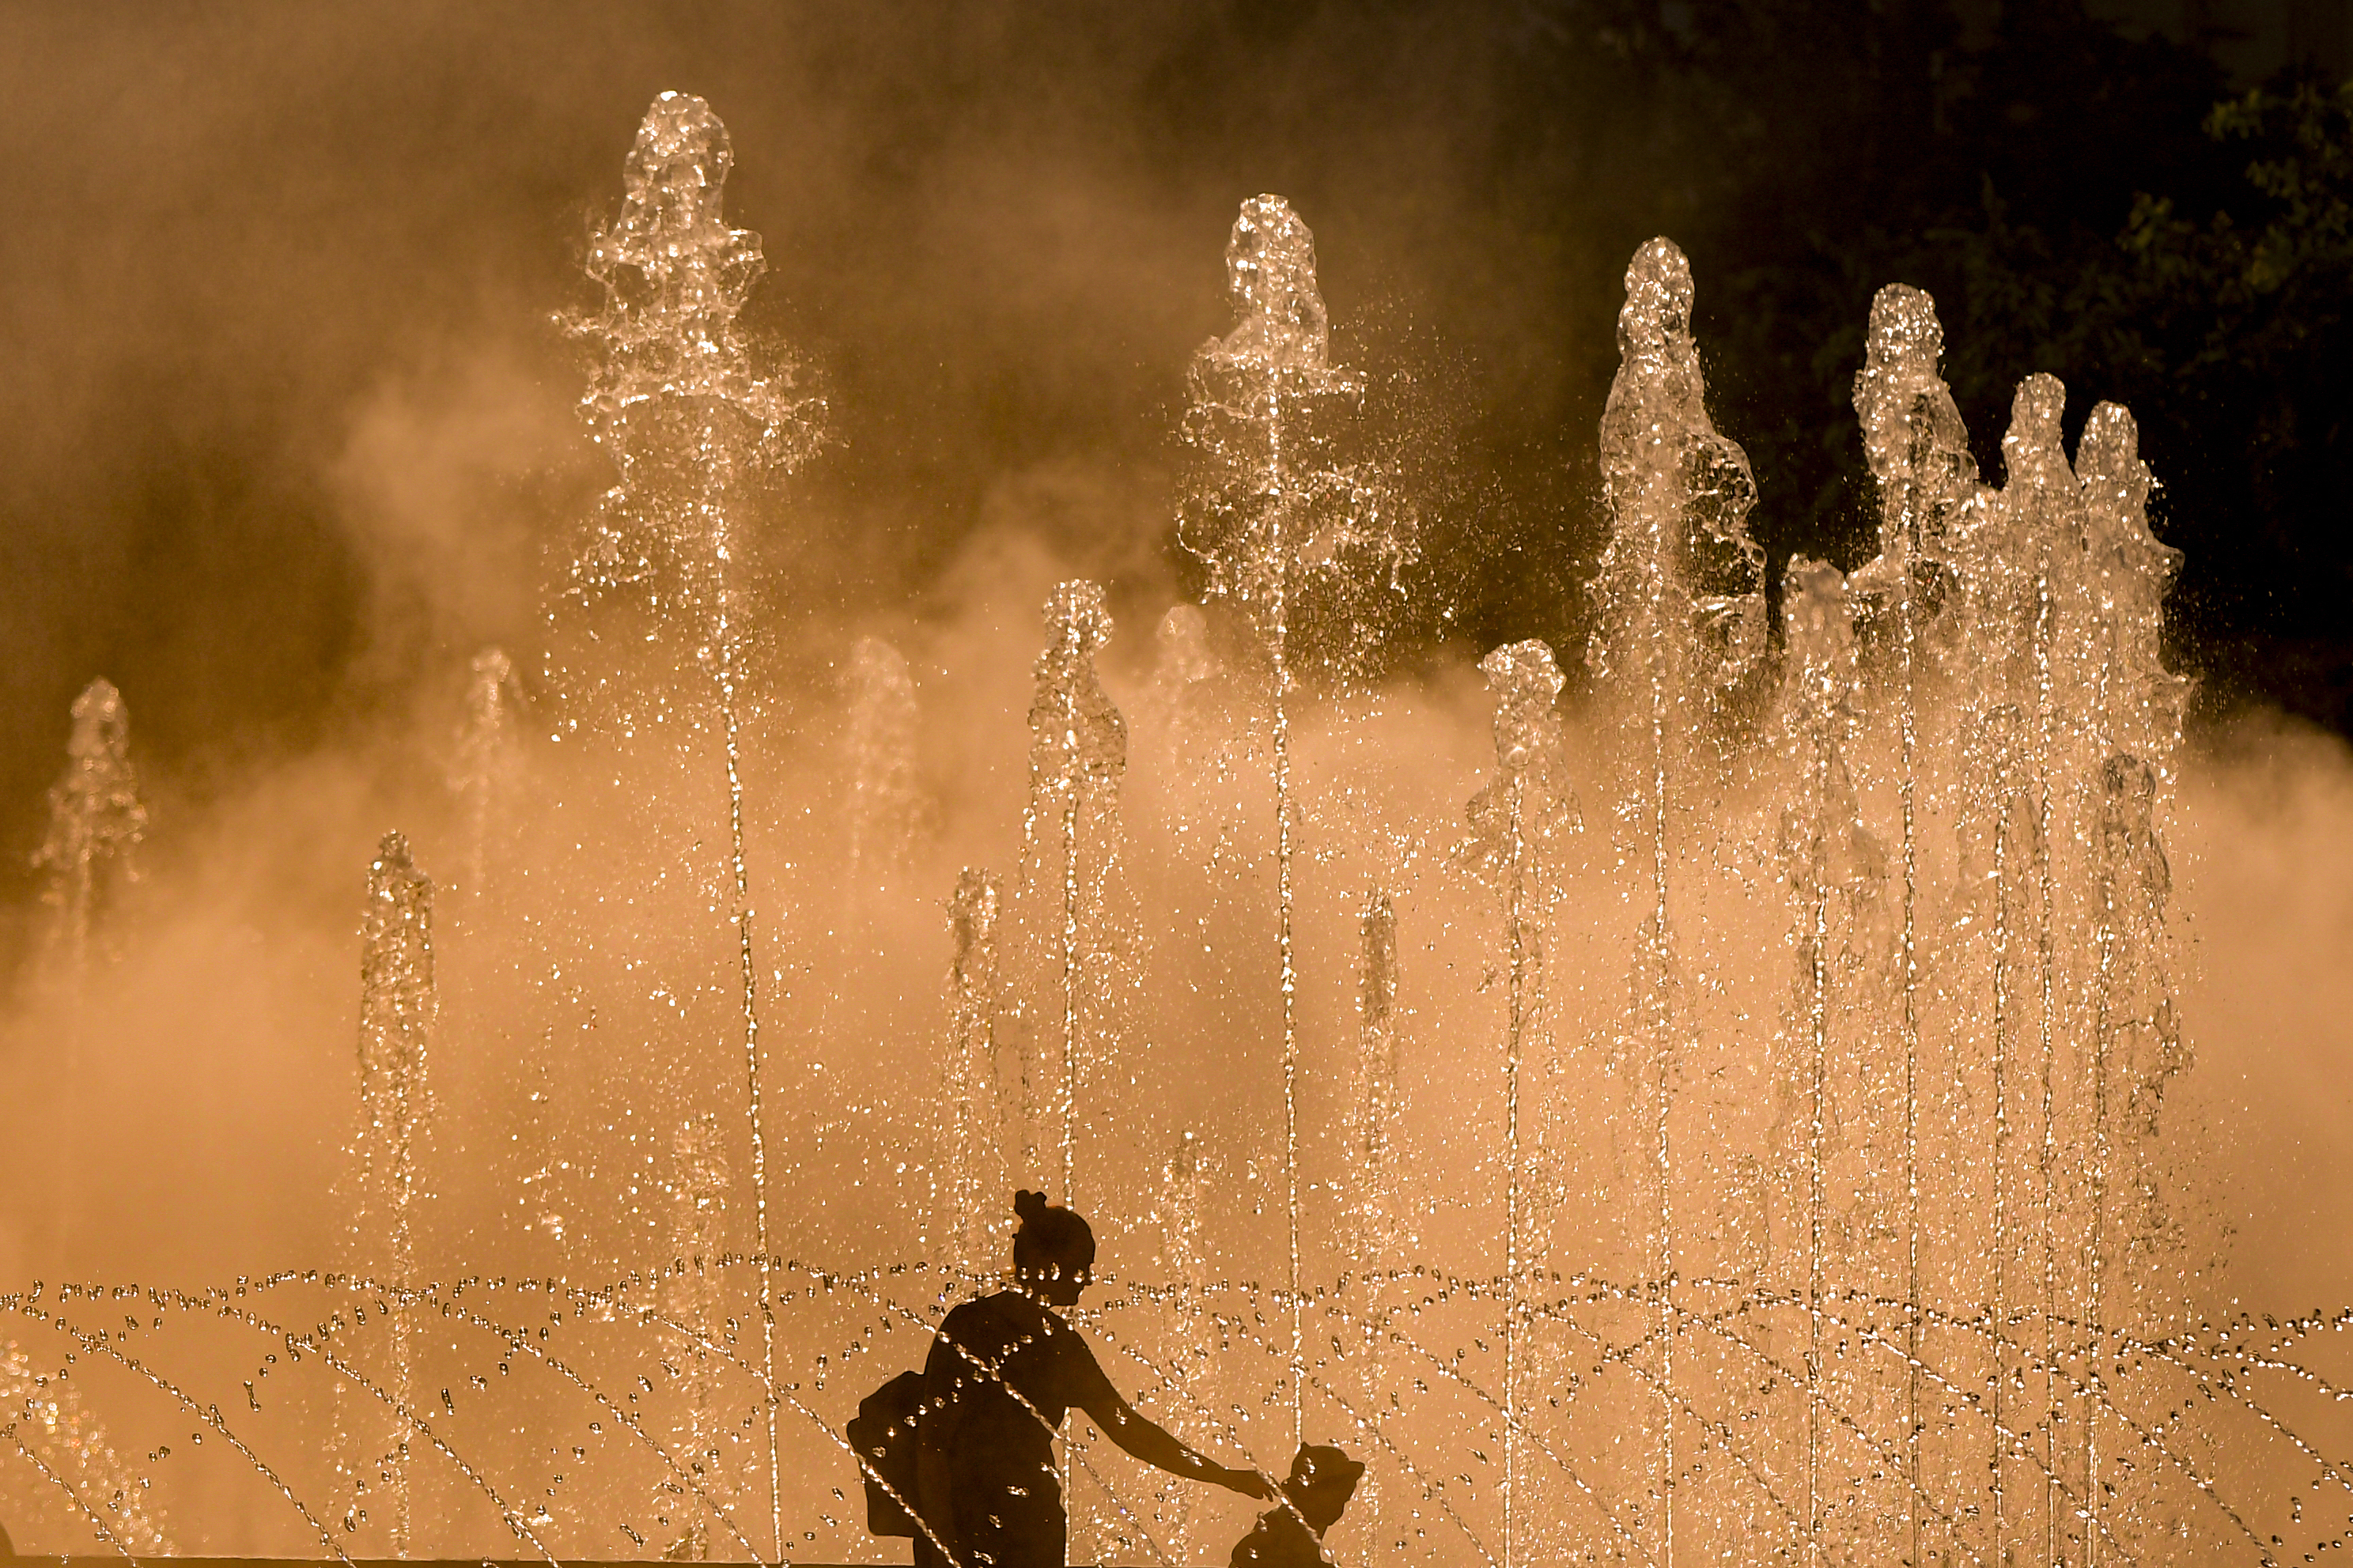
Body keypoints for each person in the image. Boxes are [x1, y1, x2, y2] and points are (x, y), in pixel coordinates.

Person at [914, 1190, 1270, 1567]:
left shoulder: (1047, 1343)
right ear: (1040, 1260)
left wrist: (1221, 1475)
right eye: (1079, 1266)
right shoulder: (983, 1330)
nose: (1086, 1280)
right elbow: (932, 1442)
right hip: (978, 1522)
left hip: (1023, 1522)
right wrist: (942, 1540)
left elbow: (1129, 1430)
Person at [1227, 1444, 1365, 1567]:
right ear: (1308, 1491)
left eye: (1343, 1500)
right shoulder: (1282, 1522)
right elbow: (1242, 1554)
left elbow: (1309, 1558)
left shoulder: (1315, 1520)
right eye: (1336, 1498)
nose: (1339, 1508)